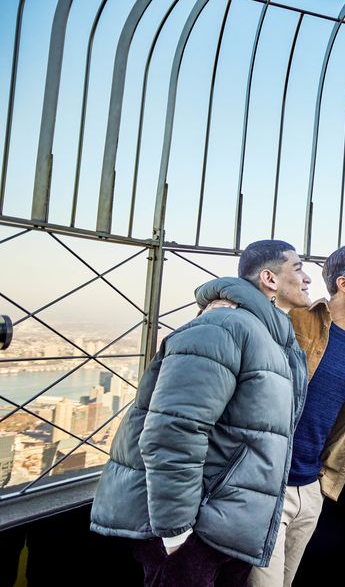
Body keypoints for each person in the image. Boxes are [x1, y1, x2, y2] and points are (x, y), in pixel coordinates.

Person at [90, 240, 311, 587]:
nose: (308, 278)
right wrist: (176, 532)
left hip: (227, 525)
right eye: (298, 268)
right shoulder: (222, 327)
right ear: (269, 278)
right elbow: (173, 430)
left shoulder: (272, 338)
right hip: (197, 531)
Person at [202, 243, 345, 587]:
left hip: (310, 486)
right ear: (344, 284)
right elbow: (246, 328)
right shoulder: (296, 319)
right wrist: (219, 303)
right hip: (268, 484)